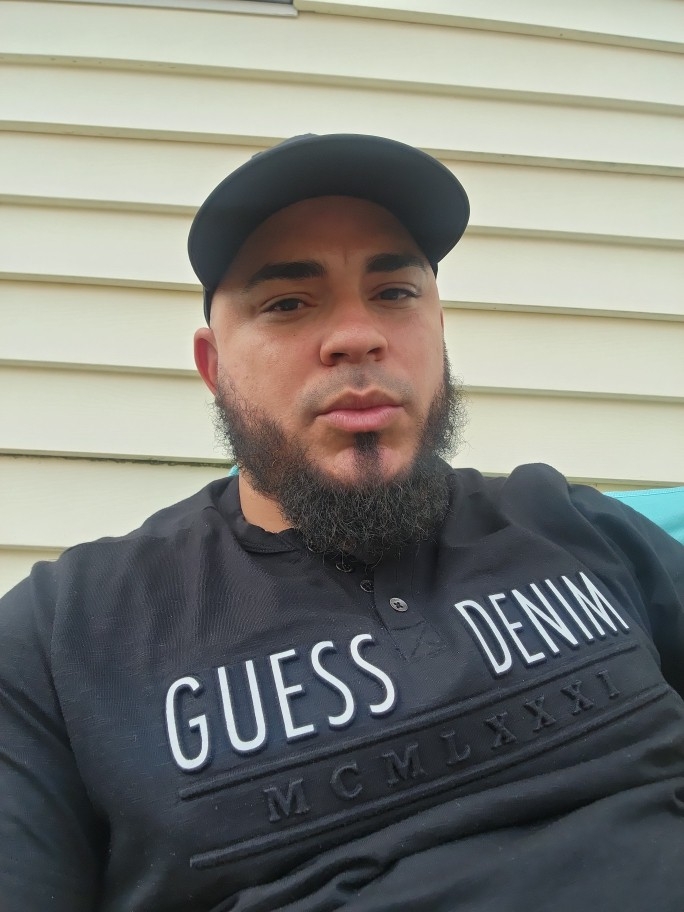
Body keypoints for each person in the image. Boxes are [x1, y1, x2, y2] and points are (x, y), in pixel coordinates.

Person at [1, 133, 683, 912]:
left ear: (438, 330)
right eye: (288, 303)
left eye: (394, 292)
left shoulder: (570, 522)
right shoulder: (64, 638)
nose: (359, 335)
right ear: (214, 368)